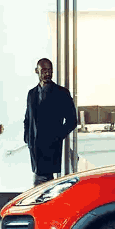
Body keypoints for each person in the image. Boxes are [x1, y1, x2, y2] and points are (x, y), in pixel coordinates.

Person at [24, 58, 78, 186]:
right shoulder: (31, 94)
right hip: (35, 147)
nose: (47, 73)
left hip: (51, 147)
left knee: (41, 182)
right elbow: (27, 118)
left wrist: (56, 136)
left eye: (50, 70)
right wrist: (27, 138)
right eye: (44, 70)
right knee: (43, 182)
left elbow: (72, 120)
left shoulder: (61, 93)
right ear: (37, 71)